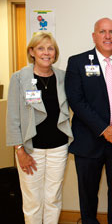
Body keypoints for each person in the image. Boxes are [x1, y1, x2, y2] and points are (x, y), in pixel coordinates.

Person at [65, 17, 112, 224]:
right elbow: (76, 100)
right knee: (88, 193)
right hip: (89, 141)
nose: (107, 36)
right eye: (102, 32)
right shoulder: (78, 62)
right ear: (94, 36)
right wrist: (104, 129)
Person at [6, 32, 74, 224]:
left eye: (50, 48)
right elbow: (12, 117)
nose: (46, 52)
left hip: (58, 149)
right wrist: (19, 150)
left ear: (55, 53)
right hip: (30, 149)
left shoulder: (62, 77)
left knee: (53, 199)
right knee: (32, 201)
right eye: (41, 48)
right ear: (32, 52)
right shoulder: (20, 78)